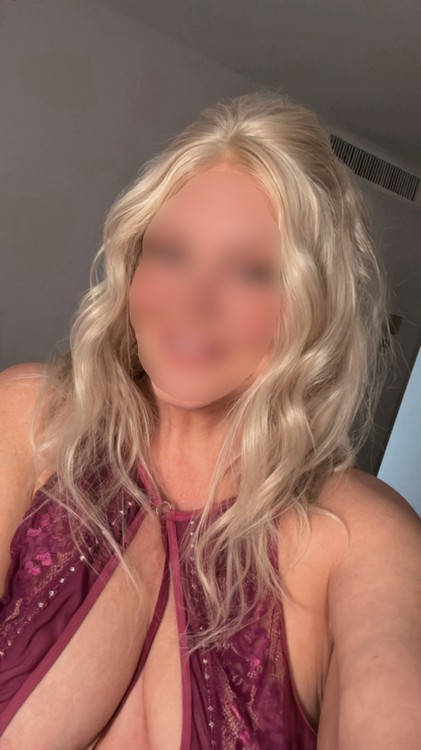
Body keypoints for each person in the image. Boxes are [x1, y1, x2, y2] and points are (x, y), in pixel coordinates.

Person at [0, 89, 420, 750]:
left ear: (308, 307)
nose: (193, 302)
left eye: (251, 271)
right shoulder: (33, 420)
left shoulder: (356, 534)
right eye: (172, 253)